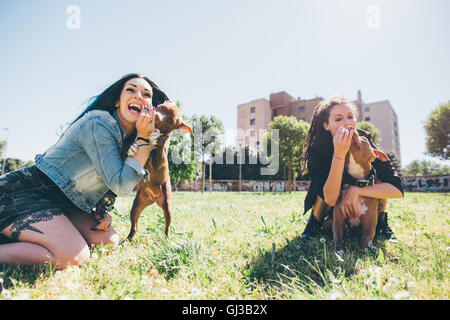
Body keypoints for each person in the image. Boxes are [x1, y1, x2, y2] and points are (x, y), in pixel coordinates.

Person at [0, 73, 167, 270]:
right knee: (73, 257)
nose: (139, 96)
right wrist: (145, 140)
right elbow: (122, 185)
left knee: (107, 241)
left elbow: (107, 184)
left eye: (146, 94)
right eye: (131, 90)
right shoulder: (99, 124)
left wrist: (101, 211)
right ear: (116, 101)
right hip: (20, 193)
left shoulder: (128, 141)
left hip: (63, 204)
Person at [301, 96, 403, 242]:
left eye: (350, 117)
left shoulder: (364, 141)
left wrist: (357, 190)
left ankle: (381, 222)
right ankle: (315, 222)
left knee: (379, 179)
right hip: (331, 199)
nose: (347, 123)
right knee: (322, 188)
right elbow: (330, 198)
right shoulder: (317, 149)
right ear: (326, 125)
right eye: (338, 119)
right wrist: (339, 154)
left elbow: (397, 189)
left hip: (360, 194)